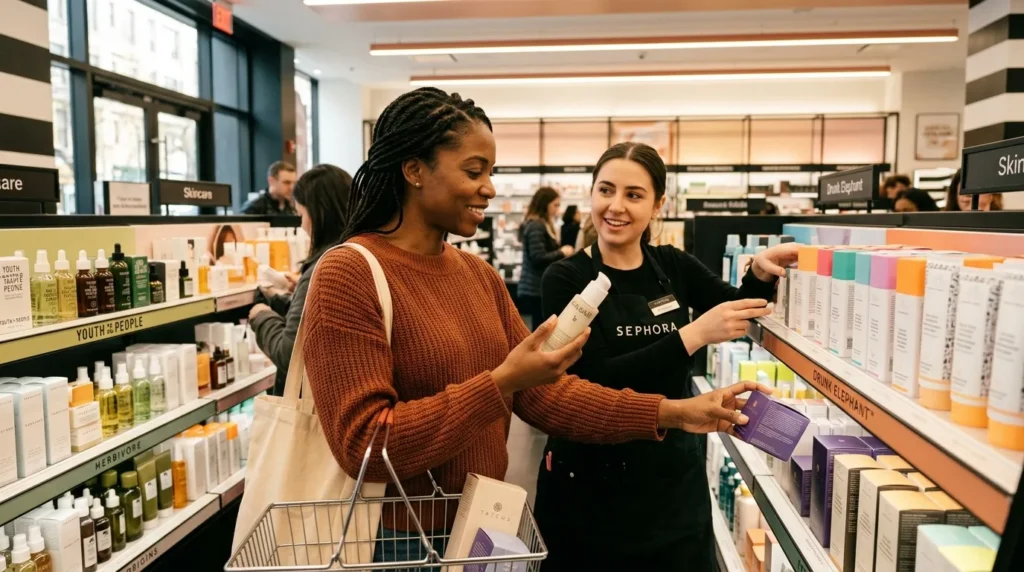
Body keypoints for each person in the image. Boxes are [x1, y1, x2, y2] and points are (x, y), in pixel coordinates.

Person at [299, 87, 768, 566]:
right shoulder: (349, 273)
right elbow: (365, 444)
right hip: (396, 543)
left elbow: (547, 395)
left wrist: (674, 413)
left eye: (491, 173)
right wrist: (501, 382)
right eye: (474, 172)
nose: (489, 188)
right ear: (414, 170)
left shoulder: (477, 275)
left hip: (483, 529)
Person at [532, 142, 798, 571]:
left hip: (671, 477)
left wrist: (761, 272)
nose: (616, 206)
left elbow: (738, 306)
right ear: (591, 193)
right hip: (590, 483)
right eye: (606, 190)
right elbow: (593, 379)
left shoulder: (672, 265)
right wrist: (690, 336)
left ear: (658, 205)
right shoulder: (565, 277)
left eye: (634, 195)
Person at [248, 164, 352, 395]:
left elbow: (289, 354)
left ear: (318, 214)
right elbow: (322, 322)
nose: (302, 226)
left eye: (302, 215)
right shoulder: (357, 254)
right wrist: (287, 299)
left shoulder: (322, 268)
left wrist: (261, 316)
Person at [519, 187, 573, 330]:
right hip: (534, 288)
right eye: (555, 205)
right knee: (541, 329)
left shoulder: (542, 224)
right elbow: (537, 257)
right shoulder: (536, 225)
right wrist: (561, 252)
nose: (557, 209)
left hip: (537, 286)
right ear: (545, 204)